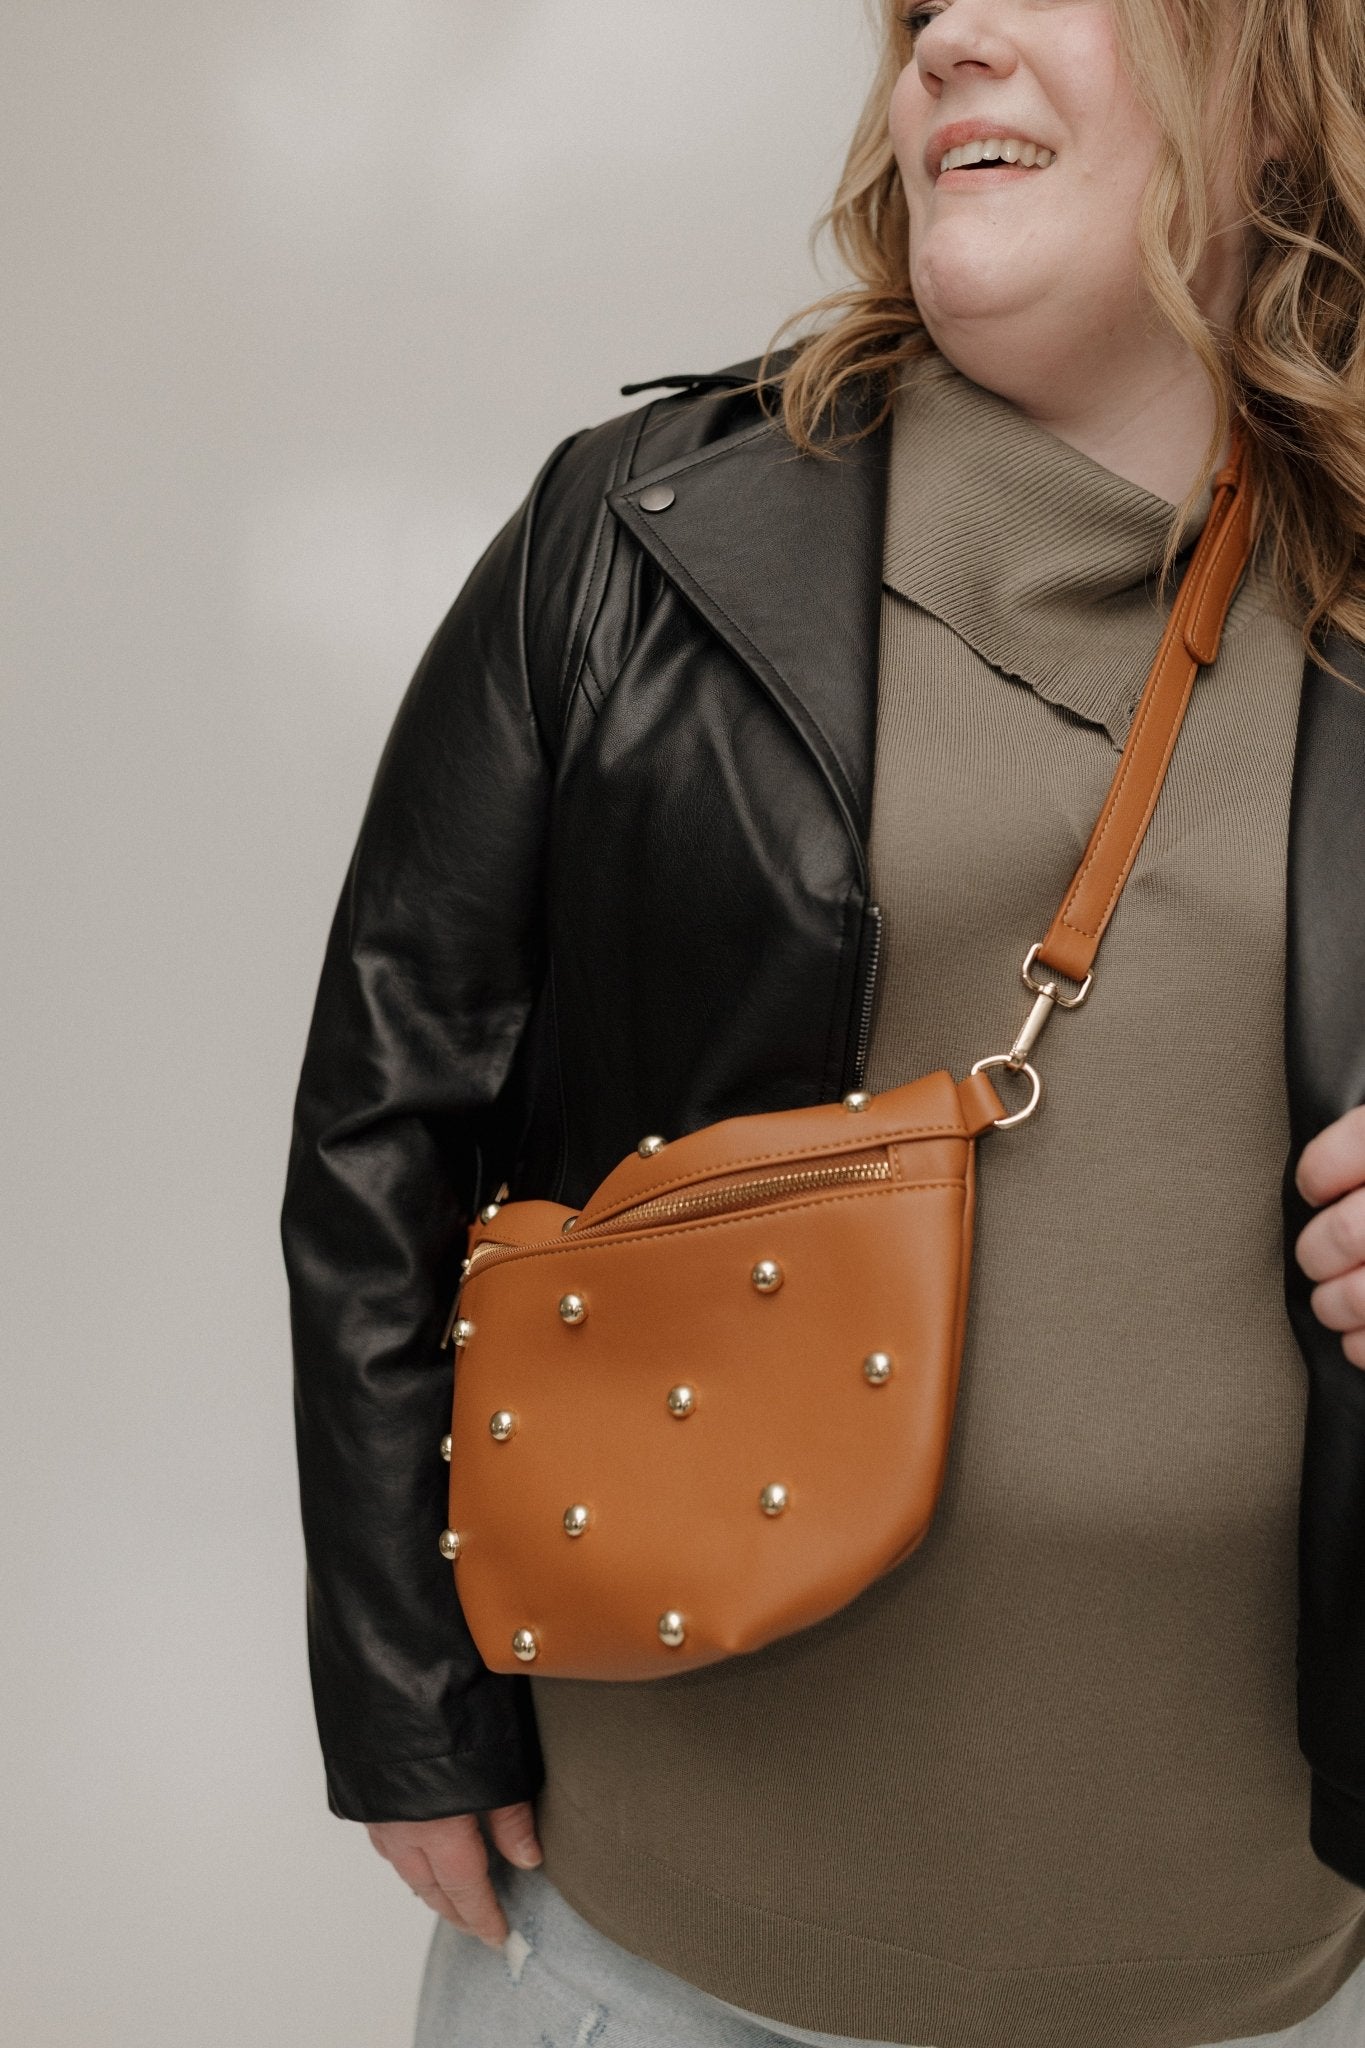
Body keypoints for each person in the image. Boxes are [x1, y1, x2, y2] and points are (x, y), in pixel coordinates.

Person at [279, 1, 1365, 2043]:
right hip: (643, 1956)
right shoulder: (635, 530)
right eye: (922, 5)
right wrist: (406, 1704)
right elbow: (381, 1134)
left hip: (1248, 1975)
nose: (948, 36)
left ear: (1277, 91)